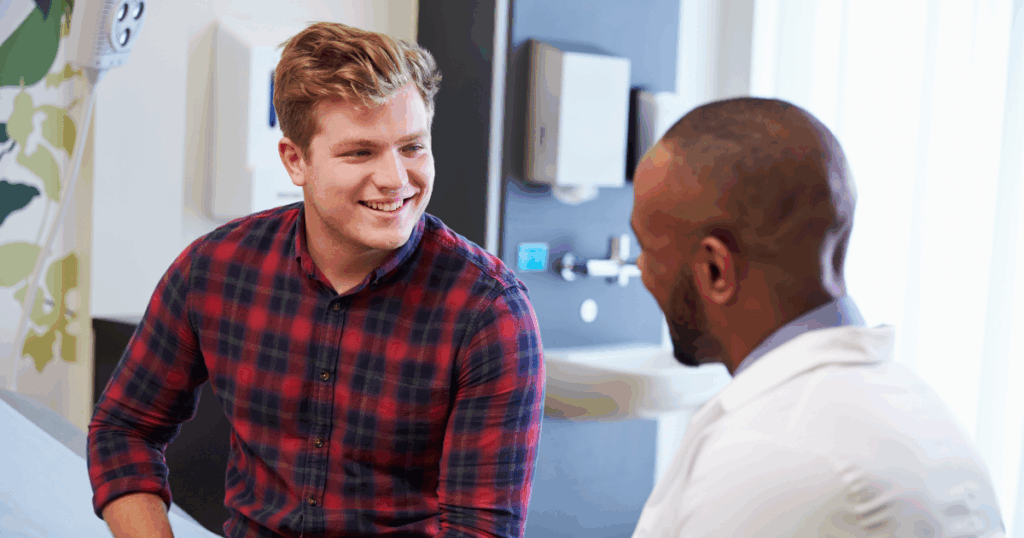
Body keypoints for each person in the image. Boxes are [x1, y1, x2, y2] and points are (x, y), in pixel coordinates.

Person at [87, 22, 545, 538]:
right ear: (295, 161)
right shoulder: (214, 270)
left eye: (413, 147)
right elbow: (123, 429)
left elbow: (479, 531)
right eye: (360, 152)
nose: (397, 179)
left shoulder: (489, 314)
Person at [628, 97, 1004, 537]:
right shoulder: (924, 414)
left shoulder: (769, 451)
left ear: (716, 269)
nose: (639, 270)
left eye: (649, 251)